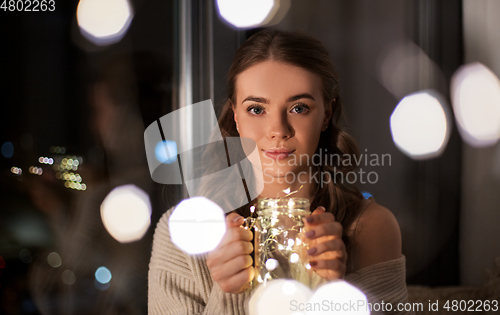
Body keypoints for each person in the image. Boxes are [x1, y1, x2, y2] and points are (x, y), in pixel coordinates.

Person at [148, 30, 412, 314]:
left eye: (299, 108)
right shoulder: (185, 233)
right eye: (257, 109)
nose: (278, 130)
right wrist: (231, 293)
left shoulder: (369, 229)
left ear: (325, 114)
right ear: (235, 116)